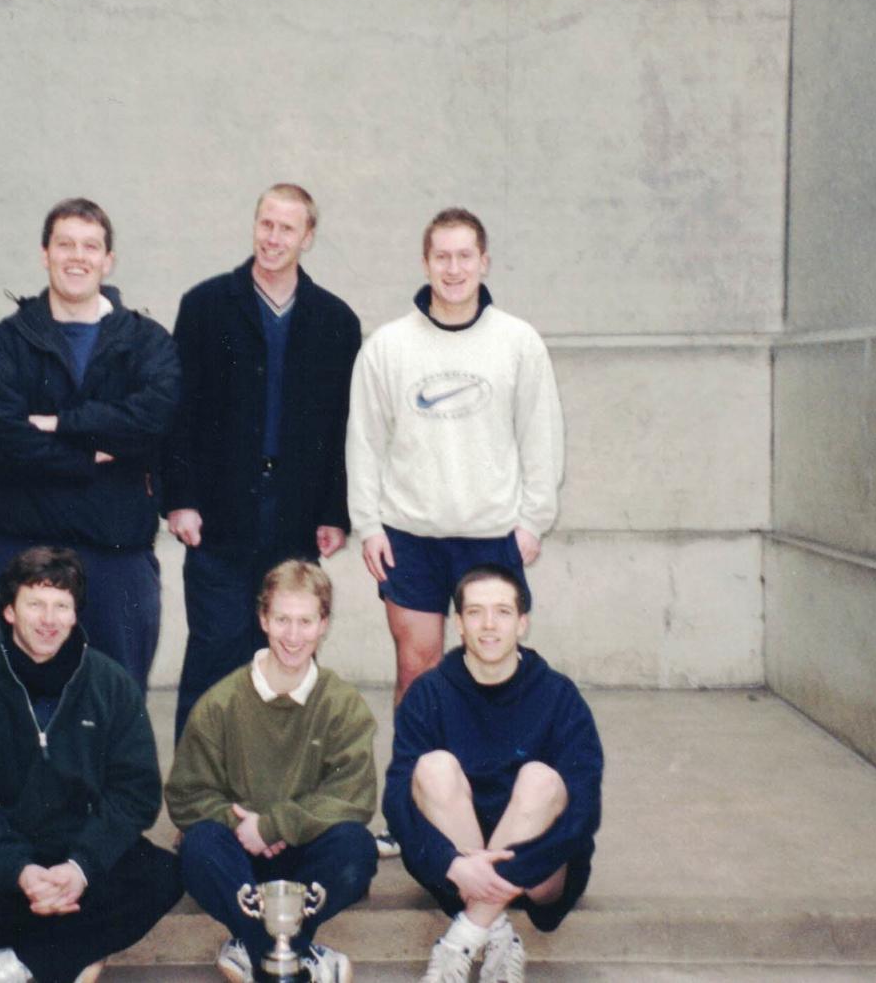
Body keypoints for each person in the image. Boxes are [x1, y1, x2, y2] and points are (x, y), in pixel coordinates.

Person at [0, 547, 184, 983]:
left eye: (62, 606)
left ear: (75, 616)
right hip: (8, 863)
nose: (48, 619)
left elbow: (136, 793)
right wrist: (20, 872)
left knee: (165, 876)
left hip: (84, 858)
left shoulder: (112, 686)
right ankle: (77, 951)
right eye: (35, 603)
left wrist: (80, 869)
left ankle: (19, 961)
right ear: (10, 611)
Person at [164, 182, 363, 741]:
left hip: (295, 520)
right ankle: (198, 809)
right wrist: (180, 498)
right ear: (255, 226)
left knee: (287, 660)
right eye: (266, 225)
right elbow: (178, 413)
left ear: (309, 237)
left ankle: (278, 800)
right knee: (213, 658)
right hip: (219, 519)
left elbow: (342, 427)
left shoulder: (335, 321)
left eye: (287, 228)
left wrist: (334, 512)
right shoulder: (204, 307)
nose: (274, 238)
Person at [345, 206, 565, 709]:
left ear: (484, 262)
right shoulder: (387, 347)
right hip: (410, 536)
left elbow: (541, 436)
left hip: (491, 535)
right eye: (442, 256)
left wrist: (534, 520)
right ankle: (414, 786)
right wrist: (369, 525)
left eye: (465, 256)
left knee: (493, 672)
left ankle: (486, 785)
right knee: (416, 670)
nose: (453, 268)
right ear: (425, 263)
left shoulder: (518, 342)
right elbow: (364, 441)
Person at [0, 198, 179, 691]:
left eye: (90, 246)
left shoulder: (147, 342)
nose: (77, 256)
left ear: (108, 260)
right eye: (65, 244)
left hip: (116, 556)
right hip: (19, 549)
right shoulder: (7, 342)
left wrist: (61, 424)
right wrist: (92, 453)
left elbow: (151, 422)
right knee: (12, 707)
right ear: (45, 254)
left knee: (115, 706)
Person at [383, 564, 603, 983]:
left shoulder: (558, 695)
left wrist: (504, 873)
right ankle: (495, 932)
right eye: (475, 612)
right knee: (432, 768)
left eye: (502, 612)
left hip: (538, 868)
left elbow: (584, 810)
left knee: (541, 778)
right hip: (459, 870)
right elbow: (396, 800)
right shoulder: (429, 693)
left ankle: (463, 938)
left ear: (522, 623)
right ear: (459, 624)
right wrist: (452, 864)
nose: (488, 625)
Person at [165, 560, 379, 983]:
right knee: (199, 846)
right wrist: (238, 823)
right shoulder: (221, 702)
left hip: (305, 854)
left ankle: (255, 947)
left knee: (357, 847)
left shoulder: (341, 703)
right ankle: (293, 954)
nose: (293, 636)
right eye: (282, 620)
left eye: (305, 621)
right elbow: (187, 795)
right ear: (263, 619)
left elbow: (353, 794)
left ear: (324, 625)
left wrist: (276, 825)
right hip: (239, 858)